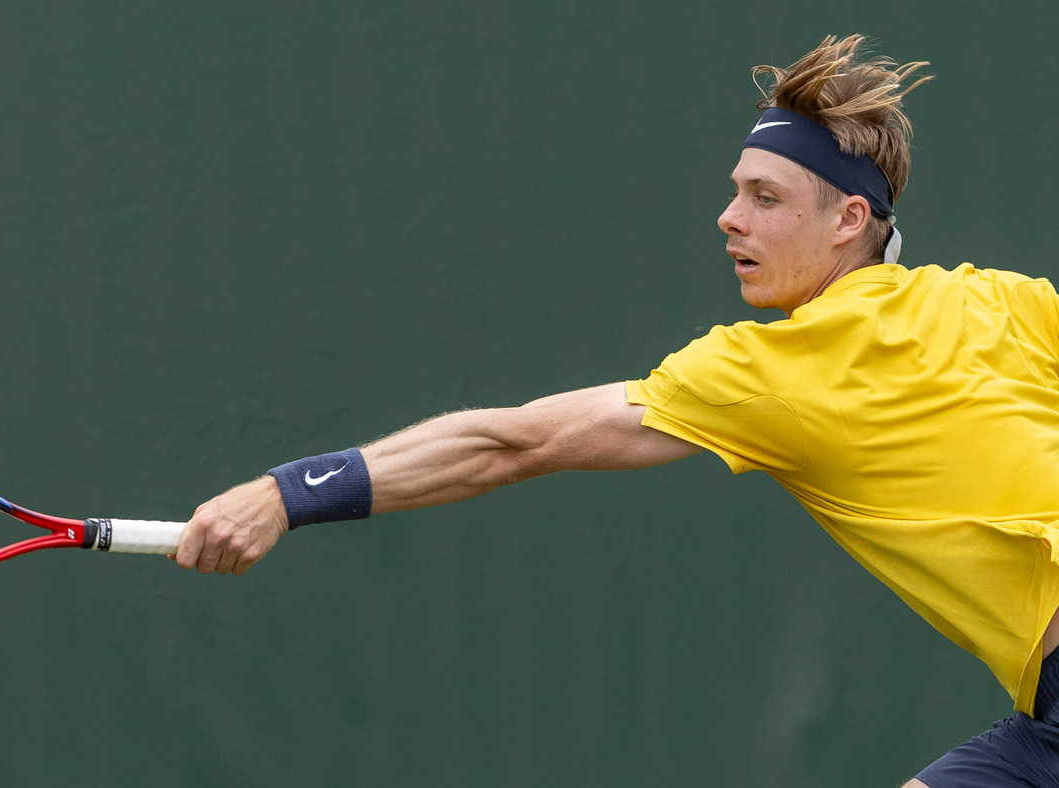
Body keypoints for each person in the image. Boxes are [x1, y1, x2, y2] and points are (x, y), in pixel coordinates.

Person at [173, 34, 1059, 786]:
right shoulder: (998, 299)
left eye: (765, 197)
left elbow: (512, 443)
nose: (729, 218)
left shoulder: (772, 370)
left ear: (848, 220)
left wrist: (287, 493)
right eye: (735, 190)